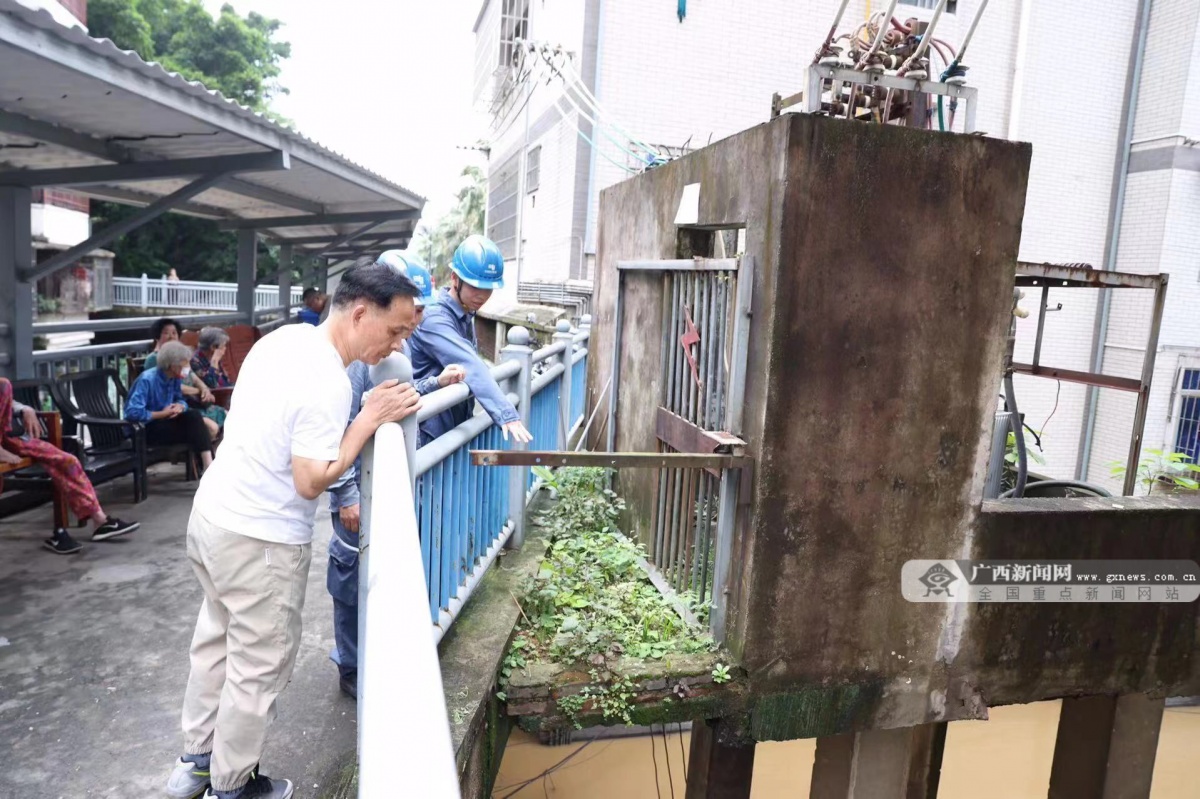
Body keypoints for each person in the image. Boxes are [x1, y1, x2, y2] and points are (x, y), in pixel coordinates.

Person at [165, 262, 424, 799]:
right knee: (259, 665)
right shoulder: (328, 380)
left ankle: (194, 765)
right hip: (260, 539)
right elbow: (312, 480)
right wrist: (367, 419)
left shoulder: (283, 339)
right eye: (395, 331)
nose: (398, 344)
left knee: (215, 642)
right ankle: (231, 786)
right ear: (359, 314)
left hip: (212, 515)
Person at [325, 252, 465, 698]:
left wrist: (434, 385)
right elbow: (335, 434)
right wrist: (346, 495)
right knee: (349, 578)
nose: (404, 338)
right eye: (399, 327)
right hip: (352, 488)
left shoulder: (385, 352)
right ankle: (351, 667)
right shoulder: (344, 367)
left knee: (378, 572)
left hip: (378, 483)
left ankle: (373, 655)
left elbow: (394, 394)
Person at [408, 234, 533, 447]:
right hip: (429, 430)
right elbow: (469, 362)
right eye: (476, 286)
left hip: (450, 425)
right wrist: (506, 413)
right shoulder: (434, 318)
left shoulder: (466, 312)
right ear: (455, 279)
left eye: (488, 288)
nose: (482, 295)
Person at [0, 379, 139, 554]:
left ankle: (100, 522)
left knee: (68, 461)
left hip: (10, 439)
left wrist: (25, 409)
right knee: (3, 383)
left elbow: (7, 401)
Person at [124, 341, 215, 472]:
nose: (187, 367)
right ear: (173, 365)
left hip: (165, 422)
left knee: (194, 416)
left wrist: (180, 406)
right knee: (195, 428)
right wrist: (162, 414)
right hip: (145, 429)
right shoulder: (147, 379)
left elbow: (180, 398)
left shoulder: (174, 378)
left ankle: (208, 464)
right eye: (185, 363)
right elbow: (132, 412)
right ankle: (207, 466)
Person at [145, 317, 220, 410]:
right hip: (174, 405)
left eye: (174, 333)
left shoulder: (181, 356)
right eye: (166, 333)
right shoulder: (153, 359)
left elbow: (193, 377)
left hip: (193, 401)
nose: (171, 336)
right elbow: (169, 387)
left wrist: (204, 389)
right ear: (157, 336)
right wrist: (198, 391)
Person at [189, 327, 232, 430]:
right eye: (223, 346)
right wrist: (214, 363)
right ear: (213, 347)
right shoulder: (194, 361)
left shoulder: (212, 358)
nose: (225, 349)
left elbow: (225, 381)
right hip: (206, 403)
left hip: (224, 397)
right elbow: (212, 386)